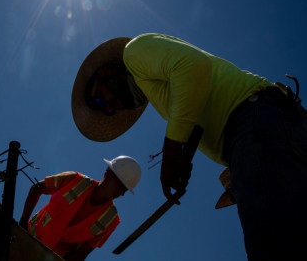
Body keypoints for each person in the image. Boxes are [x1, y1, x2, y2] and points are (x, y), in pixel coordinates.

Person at [71, 33, 307, 261]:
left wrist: (172, 151)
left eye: (101, 99)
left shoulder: (134, 52)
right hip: (265, 128)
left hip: (260, 119)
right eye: (107, 110)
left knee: (273, 245)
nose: (110, 106)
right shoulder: (160, 91)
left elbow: (195, 66)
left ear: (106, 72)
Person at [19, 155, 141, 261]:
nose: (121, 193)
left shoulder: (110, 220)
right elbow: (36, 189)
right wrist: (22, 226)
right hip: (27, 240)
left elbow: (82, 253)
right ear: (108, 174)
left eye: (125, 190)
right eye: (120, 186)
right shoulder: (73, 180)